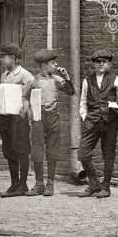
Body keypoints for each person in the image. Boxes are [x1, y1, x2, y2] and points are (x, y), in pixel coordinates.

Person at [78, 48, 118, 199]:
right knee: (83, 153)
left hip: (110, 122)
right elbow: (83, 102)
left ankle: (106, 187)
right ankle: (94, 183)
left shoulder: (115, 79)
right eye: (98, 62)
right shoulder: (87, 80)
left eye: (105, 62)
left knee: (108, 155)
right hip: (92, 122)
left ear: (109, 64)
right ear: (94, 64)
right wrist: (85, 117)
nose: (101, 64)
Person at [29, 49, 74, 196]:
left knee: (52, 150)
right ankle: (39, 183)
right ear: (43, 65)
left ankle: (50, 183)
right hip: (38, 117)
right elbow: (24, 97)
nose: (55, 65)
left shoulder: (56, 79)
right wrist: (29, 111)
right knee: (37, 149)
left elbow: (70, 91)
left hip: (53, 116)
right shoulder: (33, 80)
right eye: (52, 63)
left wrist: (66, 77)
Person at [0, 43, 35, 197]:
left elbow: (29, 98)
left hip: (19, 119)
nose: (1, 60)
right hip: (5, 117)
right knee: (10, 150)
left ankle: (23, 184)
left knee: (21, 150)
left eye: (3, 57)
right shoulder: (4, 75)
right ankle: (14, 183)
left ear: (12, 58)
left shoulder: (26, 76)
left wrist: (25, 108)